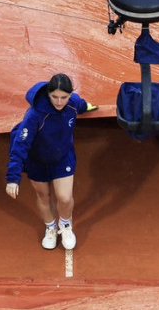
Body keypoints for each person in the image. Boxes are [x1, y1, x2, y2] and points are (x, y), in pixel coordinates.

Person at [6, 73, 93, 250]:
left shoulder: (73, 103)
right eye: (54, 97)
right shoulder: (34, 115)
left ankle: (66, 226)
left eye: (64, 97)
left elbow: (83, 106)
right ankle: (51, 228)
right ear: (48, 94)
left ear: (70, 95)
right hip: (37, 160)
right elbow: (20, 144)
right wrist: (13, 178)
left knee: (65, 198)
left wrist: (93, 107)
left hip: (62, 158)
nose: (59, 102)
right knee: (44, 197)